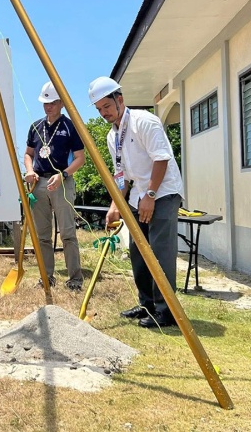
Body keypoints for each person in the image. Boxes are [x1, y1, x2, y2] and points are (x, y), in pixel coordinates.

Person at [89, 76, 184, 329]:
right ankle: (147, 305)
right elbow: (122, 177)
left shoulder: (145, 122)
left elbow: (161, 160)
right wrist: (114, 206)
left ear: (119, 100)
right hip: (137, 196)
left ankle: (167, 311)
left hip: (162, 192)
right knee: (138, 252)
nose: (104, 113)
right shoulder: (113, 136)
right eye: (99, 110)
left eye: (106, 106)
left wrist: (150, 196)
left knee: (160, 253)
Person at [23, 82, 86, 290]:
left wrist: (64, 174)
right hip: (39, 182)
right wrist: (30, 170)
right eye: (45, 103)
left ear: (61, 103)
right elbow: (28, 153)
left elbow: (80, 158)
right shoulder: (35, 126)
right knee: (42, 235)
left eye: (51, 103)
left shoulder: (70, 126)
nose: (47, 107)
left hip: (62, 181)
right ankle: (46, 277)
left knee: (68, 233)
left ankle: (75, 279)